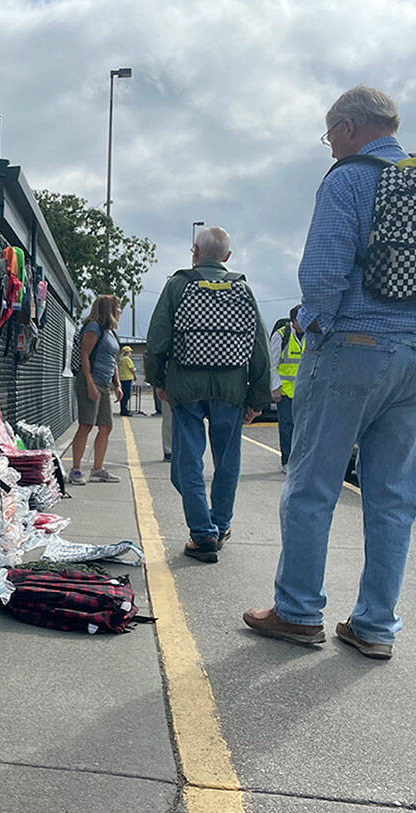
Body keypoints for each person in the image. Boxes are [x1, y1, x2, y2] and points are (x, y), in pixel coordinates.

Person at [244, 86, 416, 660]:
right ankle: (375, 627)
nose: (329, 146)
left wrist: (316, 330)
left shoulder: (347, 178)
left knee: (312, 487)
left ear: (346, 126)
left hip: (352, 349)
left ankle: (297, 613)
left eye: (329, 134)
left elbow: (322, 273)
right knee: (393, 498)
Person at [146, 226, 269, 563]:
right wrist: (257, 399)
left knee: (187, 461)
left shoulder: (178, 285)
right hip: (231, 387)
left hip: (185, 385)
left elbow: (158, 337)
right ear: (227, 257)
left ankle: (202, 534)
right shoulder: (243, 288)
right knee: (228, 460)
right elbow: (259, 347)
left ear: (195, 252)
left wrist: (157, 379)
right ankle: (221, 523)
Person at [69, 295, 124, 484]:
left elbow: (113, 360)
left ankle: (98, 469)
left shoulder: (110, 332)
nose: (120, 311)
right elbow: (85, 354)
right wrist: (90, 383)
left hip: (104, 384)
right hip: (90, 381)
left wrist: (117, 384)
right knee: (86, 425)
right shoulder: (94, 328)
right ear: (109, 308)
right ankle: (75, 470)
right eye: (118, 307)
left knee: (106, 426)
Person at [269, 304, 305, 472]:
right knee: (287, 427)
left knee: (304, 427)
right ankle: (287, 461)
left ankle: (301, 460)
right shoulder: (281, 336)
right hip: (285, 392)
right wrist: (275, 388)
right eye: (302, 320)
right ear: (293, 321)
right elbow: (272, 364)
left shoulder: (312, 336)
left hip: (305, 392)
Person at [118, 346, 136, 416]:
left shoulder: (122, 359)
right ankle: (124, 410)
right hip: (127, 378)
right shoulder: (127, 359)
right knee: (127, 395)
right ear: (127, 352)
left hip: (123, 378)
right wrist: (134, 375)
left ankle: (123, 409)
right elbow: (131, 369)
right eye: (130, 352)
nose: (131, 353)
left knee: (124, 395)